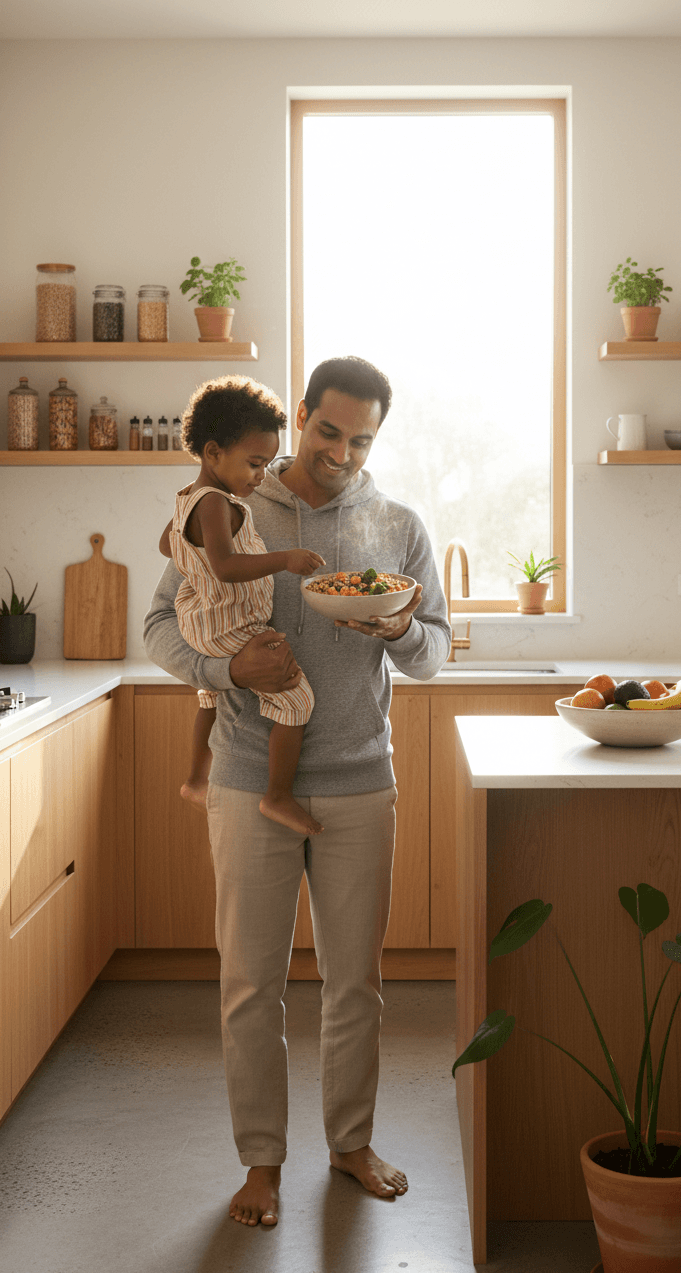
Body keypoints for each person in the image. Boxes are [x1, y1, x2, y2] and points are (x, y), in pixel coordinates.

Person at [144, 355, 452, 1228]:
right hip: (247, 777)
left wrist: (397, 626)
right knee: (252, 983)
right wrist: (220, 665)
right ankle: (261, 1162)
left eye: (361, 440)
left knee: (356, 981)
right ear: (303, 417)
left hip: (361, 778)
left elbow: (435, 651)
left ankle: (350, 1144)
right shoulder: (232, 506)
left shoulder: (397, 523)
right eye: (328, 432)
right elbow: (161, 620)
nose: (342, 453)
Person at [158, 377, 326, 836]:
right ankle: (277, 796)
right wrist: (286, 560)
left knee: (210, 696)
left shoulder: (190, 500)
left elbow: (166, 543)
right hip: (226, 621)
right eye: (254, 464)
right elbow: (228, 567)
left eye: (267, 464)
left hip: (204, 619)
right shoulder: (214, 504)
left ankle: (195, 779)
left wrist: (193, 563)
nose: (261, 476)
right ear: (213, 453)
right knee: (297, 698)